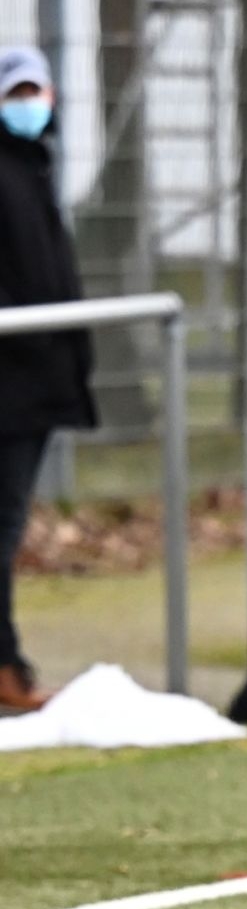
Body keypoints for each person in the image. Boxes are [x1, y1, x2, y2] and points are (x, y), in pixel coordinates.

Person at [0, 45, 92, 712]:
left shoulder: (33, 168)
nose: (30, 103)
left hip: (31, 389)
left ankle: (8, 663)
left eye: (36, 90)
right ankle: (8, 669)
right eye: (16, 91)